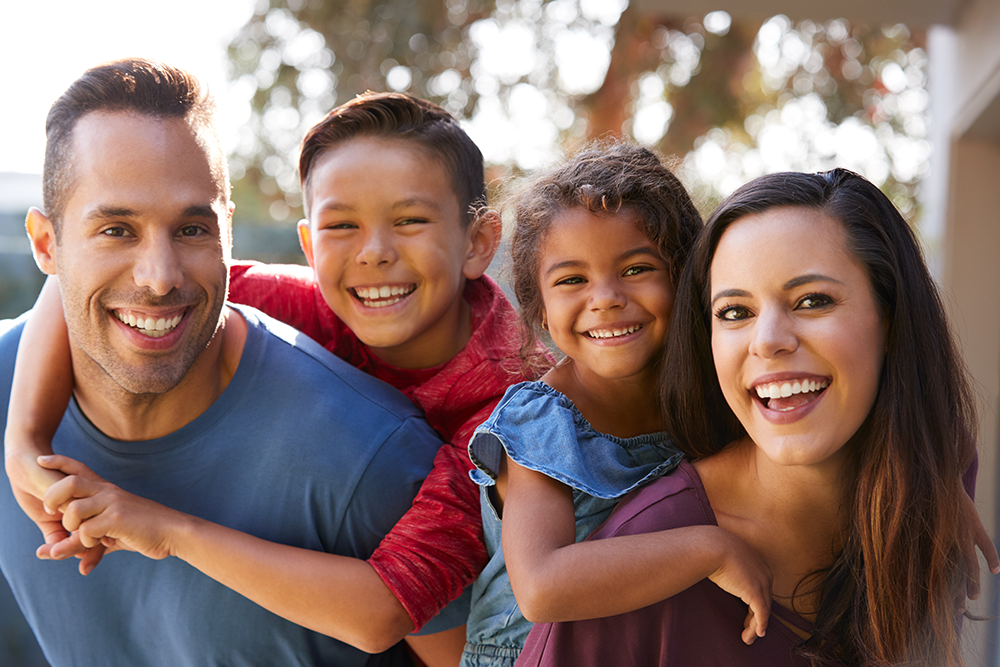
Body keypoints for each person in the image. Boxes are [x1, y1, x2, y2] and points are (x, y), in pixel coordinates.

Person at [5, 90, 542, 664]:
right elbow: (89, 280)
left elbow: (387, 607)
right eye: (342, 225)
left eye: (410, 220)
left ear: (479, 242)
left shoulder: (515, 416)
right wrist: (23, 442)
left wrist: (168, 531)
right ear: (309, 244)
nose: (375, 252)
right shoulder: (301, 302)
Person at [517, 169, 1000, 666]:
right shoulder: (644, 552)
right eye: (734, 312)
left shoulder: (939, 478)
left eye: (812, 301)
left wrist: (931, 483)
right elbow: (537, 587)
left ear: (893, 314)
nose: (767, 341)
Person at [460, 142, 775, 667]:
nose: (605, 297)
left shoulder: (712, 395)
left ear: (685, 277)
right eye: (572, 280)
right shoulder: (542, 422)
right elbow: (541, 586)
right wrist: (711, 550)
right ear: (540, 308)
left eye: (635, 269)